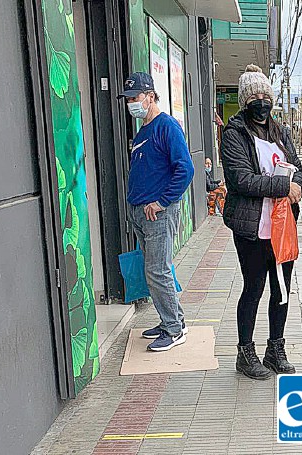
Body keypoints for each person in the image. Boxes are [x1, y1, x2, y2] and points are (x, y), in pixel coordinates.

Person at [221, 65, 302, 380]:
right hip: (252, 228)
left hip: (282, 225)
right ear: (245, 101)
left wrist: (295, 180)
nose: (260, 100)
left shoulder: (280, 131)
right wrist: (284, 186)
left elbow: (297, 166)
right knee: (254, 288)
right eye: (254, 95)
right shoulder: (234, 134)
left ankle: (275, 348)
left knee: (281, 290)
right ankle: (245, 352)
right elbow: (242, 179)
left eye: (264, 94)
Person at [118, 72, 194, 351]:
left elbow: (185, 169)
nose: (131, 104)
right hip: (140, 212)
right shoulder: (143, 130)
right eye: (128, 99)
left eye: (135, 98)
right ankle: (170, 321)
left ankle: (174, 330)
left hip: (157, 214)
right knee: (154, 271)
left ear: (150, 96)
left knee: (157, 271)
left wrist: (162, 202)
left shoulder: (167, 127)